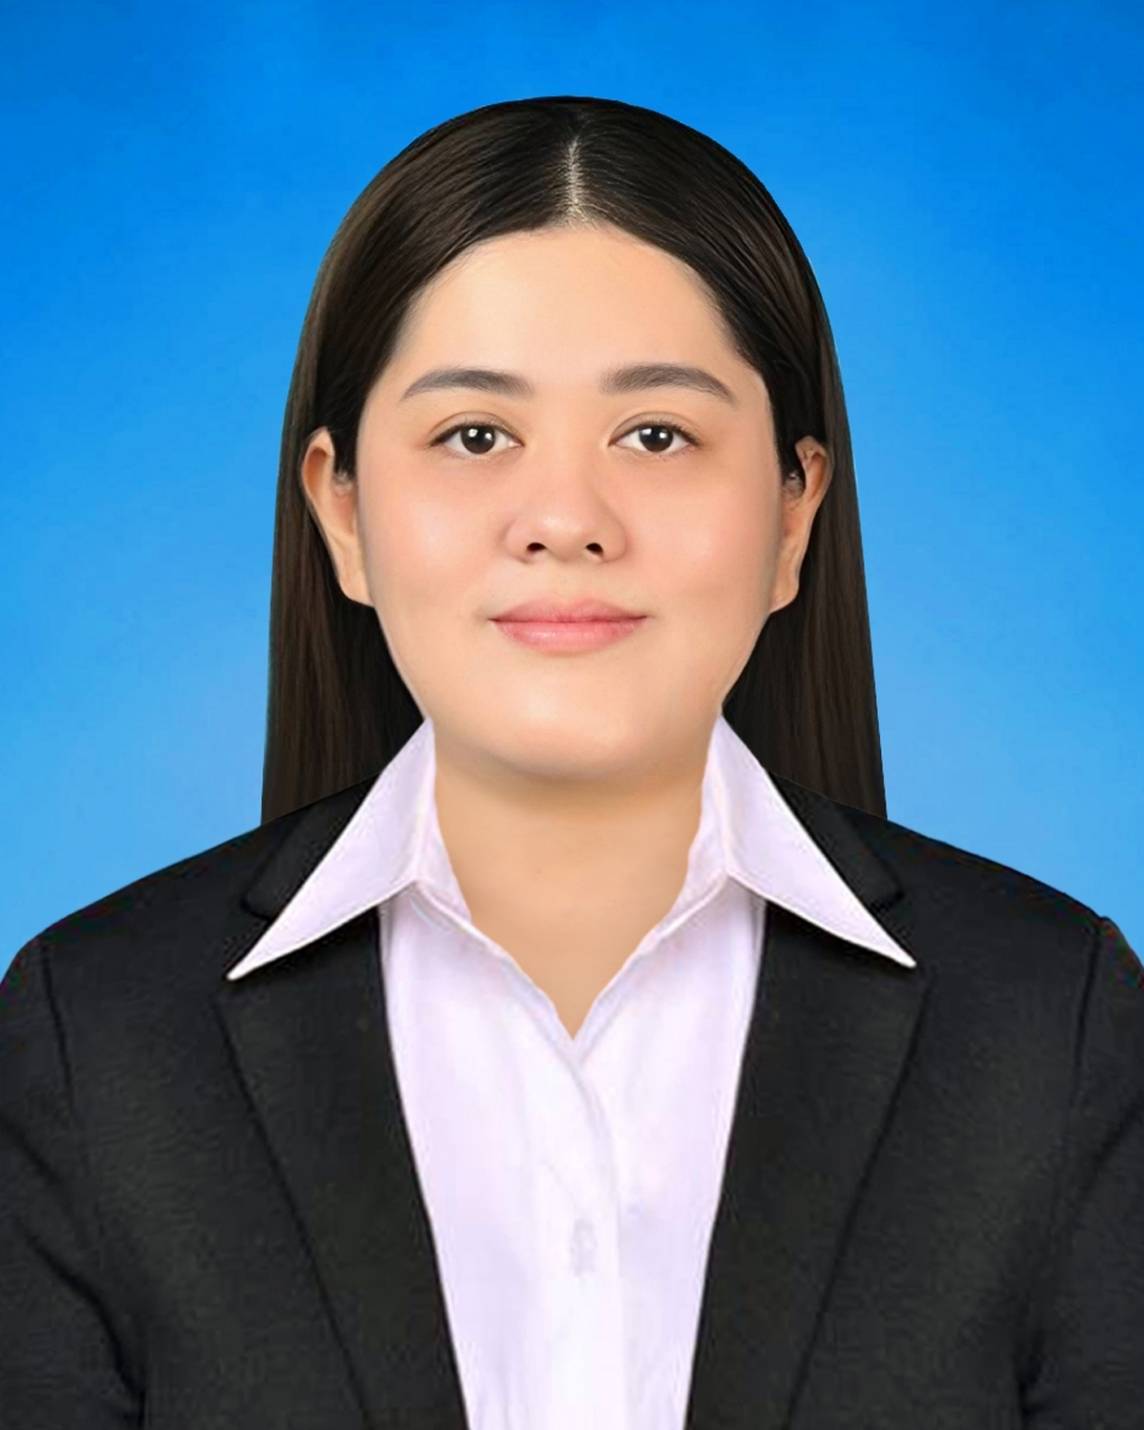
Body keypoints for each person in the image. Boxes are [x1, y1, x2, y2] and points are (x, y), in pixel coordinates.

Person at [1, 94, 1140, 1430]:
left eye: (656, 434)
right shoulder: (92, 1038)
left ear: (794, 512)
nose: (564, 519)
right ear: (342, 509)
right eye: (475, 436)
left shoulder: (1053, 1023)